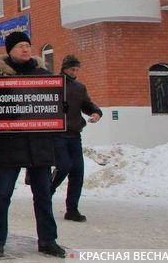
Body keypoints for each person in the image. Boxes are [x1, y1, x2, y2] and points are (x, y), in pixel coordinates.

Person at [0, 31, 66, 258]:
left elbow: (55, 104)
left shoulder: (43, 75)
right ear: (10, 51)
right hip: (11, 145)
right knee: (2, 195)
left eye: (27, 45)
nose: (25, 49)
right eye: (20, 46)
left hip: (39, 145)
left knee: (43, 195)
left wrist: (60, 107)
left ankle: (48, 240)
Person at [51, 54, 102, 223]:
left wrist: (95, 112)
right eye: (72, 69)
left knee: (78, 171)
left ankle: (72, 209)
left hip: (74, 134)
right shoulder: (53, 84)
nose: (75, 72)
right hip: (58, 134)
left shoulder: (80, 87)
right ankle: (47, 191)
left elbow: (86, 104)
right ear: (64, 68)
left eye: (77, 69)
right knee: (64, 166)